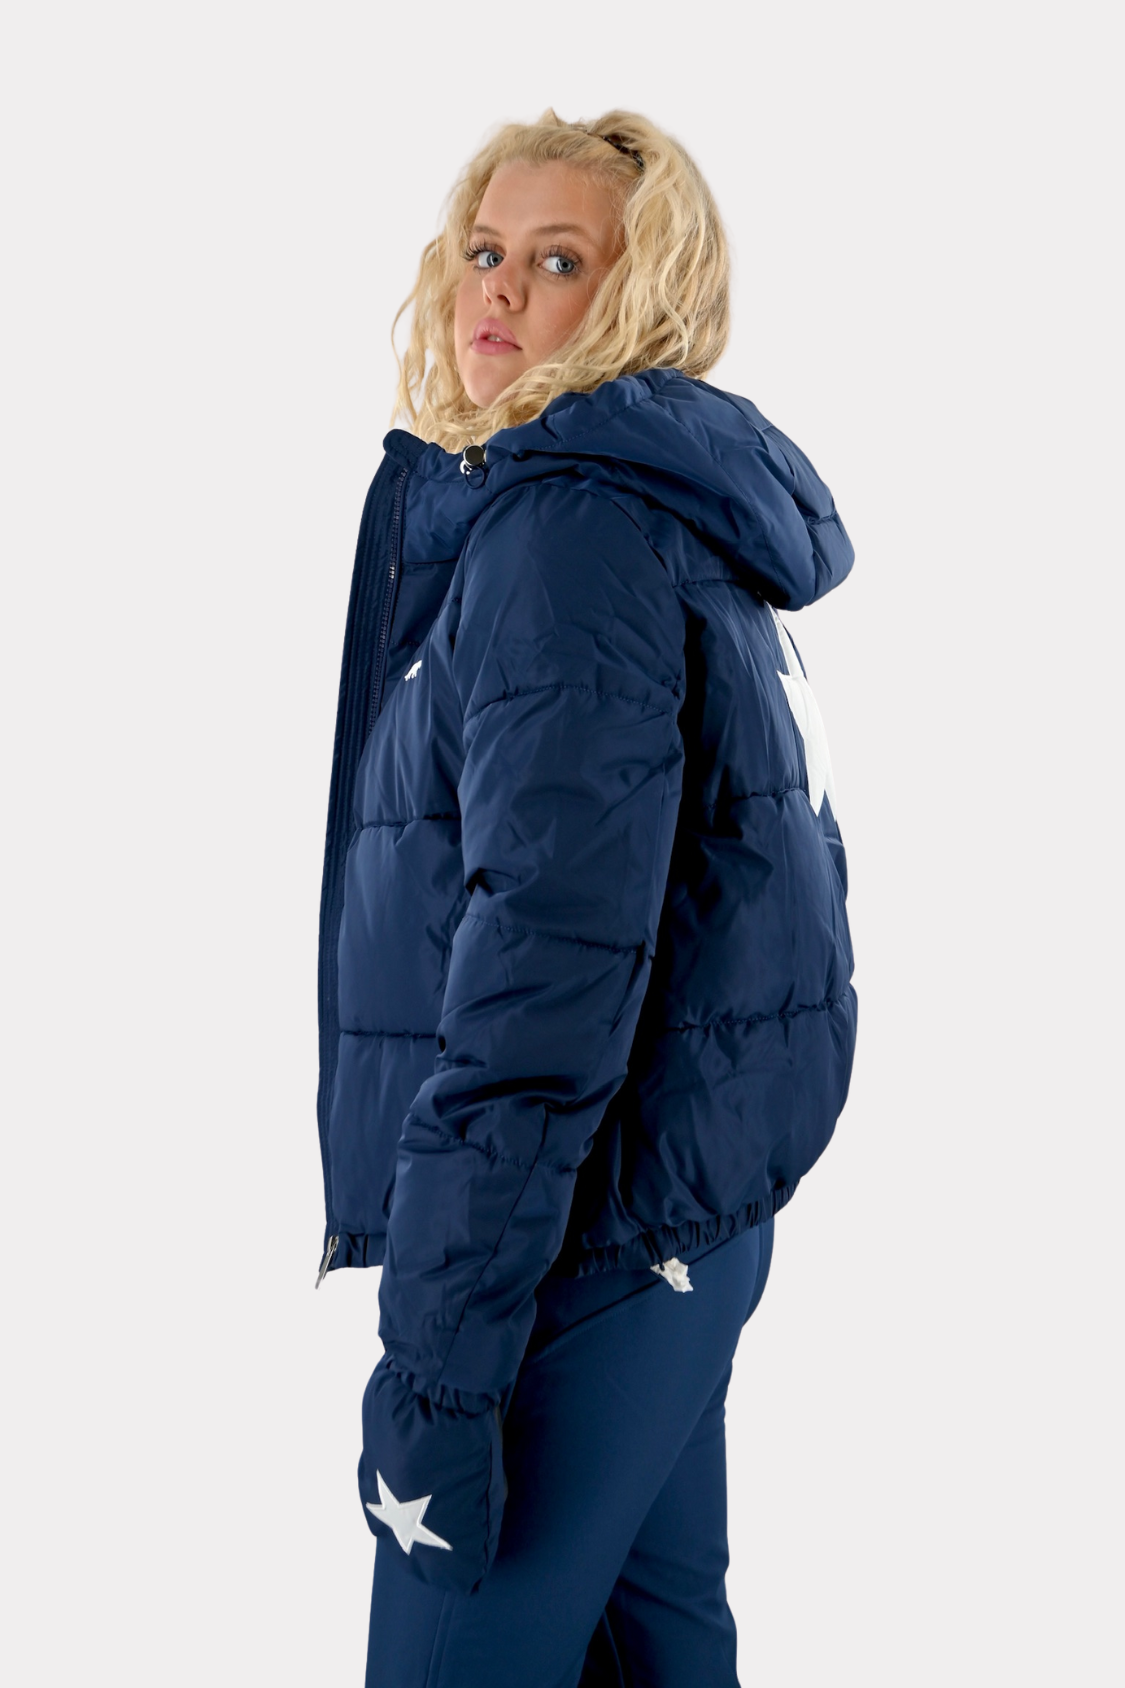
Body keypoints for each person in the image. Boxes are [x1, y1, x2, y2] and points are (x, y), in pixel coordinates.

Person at [314, 109, 857, 1688]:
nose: (499, 289)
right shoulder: (654, 513)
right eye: (485, 250)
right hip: (673, 1218)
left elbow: (544, 968)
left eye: (560, 261)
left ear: (643, 295)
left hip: (581, 1239)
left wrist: (442, 1361)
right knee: (663, 1656)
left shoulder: (566, 535)